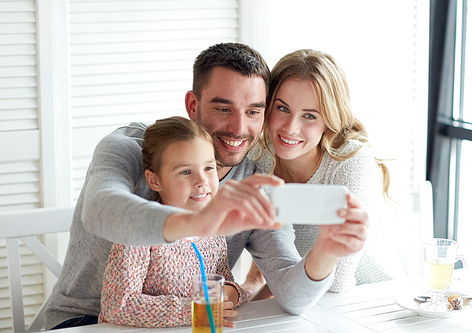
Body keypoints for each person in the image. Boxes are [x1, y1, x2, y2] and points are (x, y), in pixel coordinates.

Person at [45, 43, 369, 330]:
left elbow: (292, 296)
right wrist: (202, 221)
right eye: (223, 108)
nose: (239, 128)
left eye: (254, 111)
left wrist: (325, 254)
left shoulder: (251, 182)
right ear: (192, 105)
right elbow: (101, 211)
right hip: (81, 320)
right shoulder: (133, 146)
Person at [243, 49, 405, 299]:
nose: (290, 128)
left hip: (373, 299)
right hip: (308, 299)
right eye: (282, 108)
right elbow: (271, 240)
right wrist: (251, 288)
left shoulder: (351, 161)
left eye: (309, 115)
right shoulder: (259, 159)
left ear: (329, 120)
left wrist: (260, 298)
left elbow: (336, 280)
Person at [99, 117, 246, 328]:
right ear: (154, 181)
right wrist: (194, 311)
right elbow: (118, 305)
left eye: (209, 168)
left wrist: (229, 292)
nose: (202, 181)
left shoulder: (213, 230)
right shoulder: (139, 232)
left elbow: (222, 280)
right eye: (186, 172)